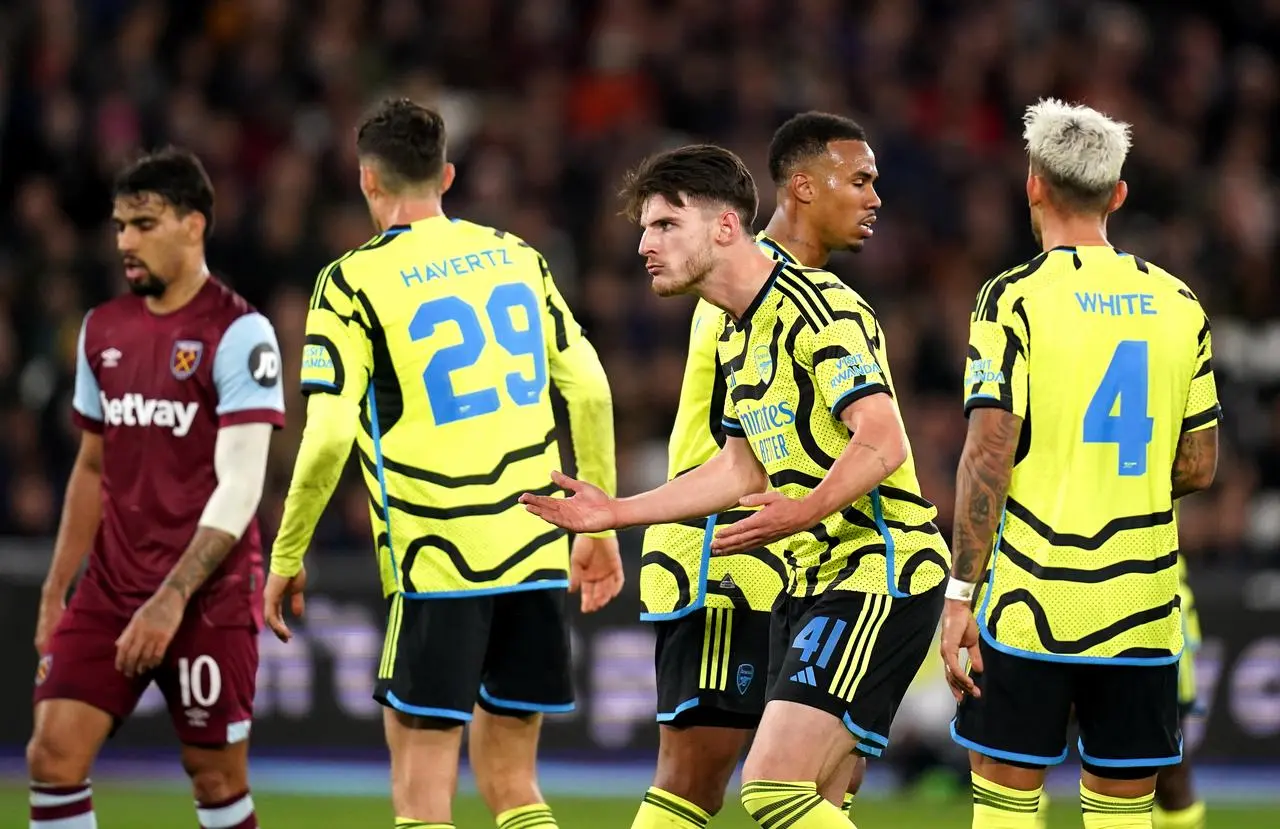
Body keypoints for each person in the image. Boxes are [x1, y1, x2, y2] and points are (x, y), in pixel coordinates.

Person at [523, 142, 949, 829]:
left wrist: (803, 509)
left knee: (772, 786)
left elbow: (883, 436)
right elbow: (740, 468)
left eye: (665, 225)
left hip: (879, 566)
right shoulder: (736, 334)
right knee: (819, 798)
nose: (644, 245)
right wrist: (618, 512)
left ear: (725, 227)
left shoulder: (816, 309)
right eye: (644, 228)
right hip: (812, 578)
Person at [264, 98, 624, 829]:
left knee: (422, 800)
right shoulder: (519, 257)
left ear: (368, 181)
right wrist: (601, 521)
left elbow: (329, 435)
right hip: (536, 553)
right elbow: (588, 387)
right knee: (517, 787)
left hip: (439, 563)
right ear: (448, 175)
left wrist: (287, 549)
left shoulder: (351, 282)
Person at [940, 98, 1220, 829]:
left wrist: (959, 592)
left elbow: (986, 457)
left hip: (1030, 601)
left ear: (1033, 183)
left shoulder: (1013, 299)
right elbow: (1199, 463)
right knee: (1123, 816)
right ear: (1118, 194)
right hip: (1141, 605)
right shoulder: (1179, 303)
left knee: (1005, 808)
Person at [632, 111, 880, 829]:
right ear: (803, 189)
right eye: (858, 181)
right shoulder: (736, 283)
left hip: (807, 565)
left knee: (826, 784)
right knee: (694, 778)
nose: (873, 200)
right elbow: (735, 452)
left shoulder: (799, 290)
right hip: (732, 562)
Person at [29, 147, 285, 829]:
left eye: (143, 223)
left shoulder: (240, 333)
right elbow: (90, 466)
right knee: (52, 755)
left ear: (193, 224)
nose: (124, 242)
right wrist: (58, 589)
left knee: (215, 778)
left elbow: (241, 484)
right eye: (118, 226)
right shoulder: (101, 330)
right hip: (111, 587)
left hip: (207, 594)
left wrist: (172, 597)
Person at [1153, 556, 1207, 829]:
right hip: (1170, 691)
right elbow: (1193, 646)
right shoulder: (1179, 588)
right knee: (1172, 782)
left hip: (1161, 689)